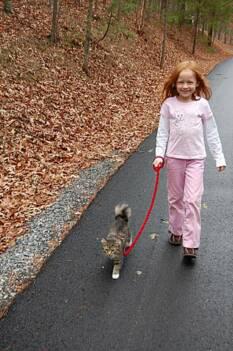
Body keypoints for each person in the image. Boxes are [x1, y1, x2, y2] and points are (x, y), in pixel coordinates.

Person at [153, 60, 226, 258]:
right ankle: (176, 231)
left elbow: (211, 132)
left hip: (196, 159)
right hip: (174, 158)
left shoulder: (202, 105)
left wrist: (219, 156)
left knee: (192, 200)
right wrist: (159, 155)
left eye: (189, 82)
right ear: (175, 84)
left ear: (197, 84)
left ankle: (191, 243)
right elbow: (162, 132)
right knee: (175, 199)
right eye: (181, 82)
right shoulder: (168, 105)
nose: (185, 86)